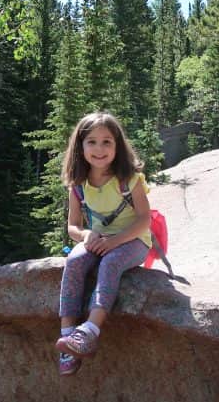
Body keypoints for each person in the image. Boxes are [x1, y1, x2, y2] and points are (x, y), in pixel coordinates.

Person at [54, 111, 153, 376]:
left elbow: (144, 220)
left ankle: (89, 331)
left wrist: (115, 242)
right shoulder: (79, 185)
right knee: (74, 261)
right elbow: (73, 227)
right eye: (92, 142)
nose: (99, 149)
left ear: (118, 145)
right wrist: (87, 236)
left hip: (132, 241)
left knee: (110, 264)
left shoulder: (129, 179)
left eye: (107, 142)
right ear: (80, 146)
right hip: (97, 241)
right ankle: (67, 338)